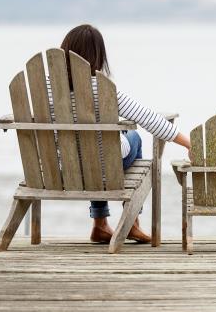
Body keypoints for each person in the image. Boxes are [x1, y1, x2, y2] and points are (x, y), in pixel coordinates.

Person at [58, 24, 191, 244]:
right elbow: (149, 119)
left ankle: (100, 225)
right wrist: (188, 144)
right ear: (98, 56)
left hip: (61, 168)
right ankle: (133, 224)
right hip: (101, 167)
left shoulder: (45, 89)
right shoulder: (103, 89)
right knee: (133, 139)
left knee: (90, 148)